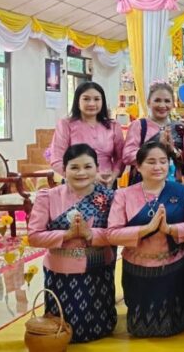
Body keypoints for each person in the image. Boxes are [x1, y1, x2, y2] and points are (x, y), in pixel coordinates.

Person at [108, 141, 184, 337]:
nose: (158, 167)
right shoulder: (124, 195)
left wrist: (169, 229)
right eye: (151, 162)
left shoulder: (182, 192)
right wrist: (146, 229)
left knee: (175, 321)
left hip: (173, 265)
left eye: (163, 161)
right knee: (140, 326)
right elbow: (112, 233)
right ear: (138, 166)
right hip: (137, 267)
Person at [28, 144, 117, 343]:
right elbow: (34, 236)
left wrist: (90, 234)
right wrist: (66, 235)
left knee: (99, 328)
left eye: (88, 166)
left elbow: (116, 234)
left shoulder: (109, 198)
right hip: (60, 272)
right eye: (74, 167)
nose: (81, 173)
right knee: (61, 328)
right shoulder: (48, 197)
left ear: (97, 168)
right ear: (64, 169)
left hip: (97, 271)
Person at [49, 81, 124, 187]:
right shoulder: (66, 124)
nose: (92, 104)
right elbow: (56, 160)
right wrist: (87, 175)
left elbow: (120, 157)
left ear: (102, 102)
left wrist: (114, 175)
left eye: (97, 99)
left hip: (107, 183)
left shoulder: (113, 125)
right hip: (77, 183)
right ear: (77, 101)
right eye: (86, 99)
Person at [123, 82, 184, 183]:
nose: (162, 105)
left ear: (173, 104)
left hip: (173, 184)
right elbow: (127, 156)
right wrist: (156, 146)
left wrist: (172, 150)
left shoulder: (180, 128)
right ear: (148, 102)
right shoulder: (139, 125)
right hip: (144, 183)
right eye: (157, 100)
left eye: (167, 101)